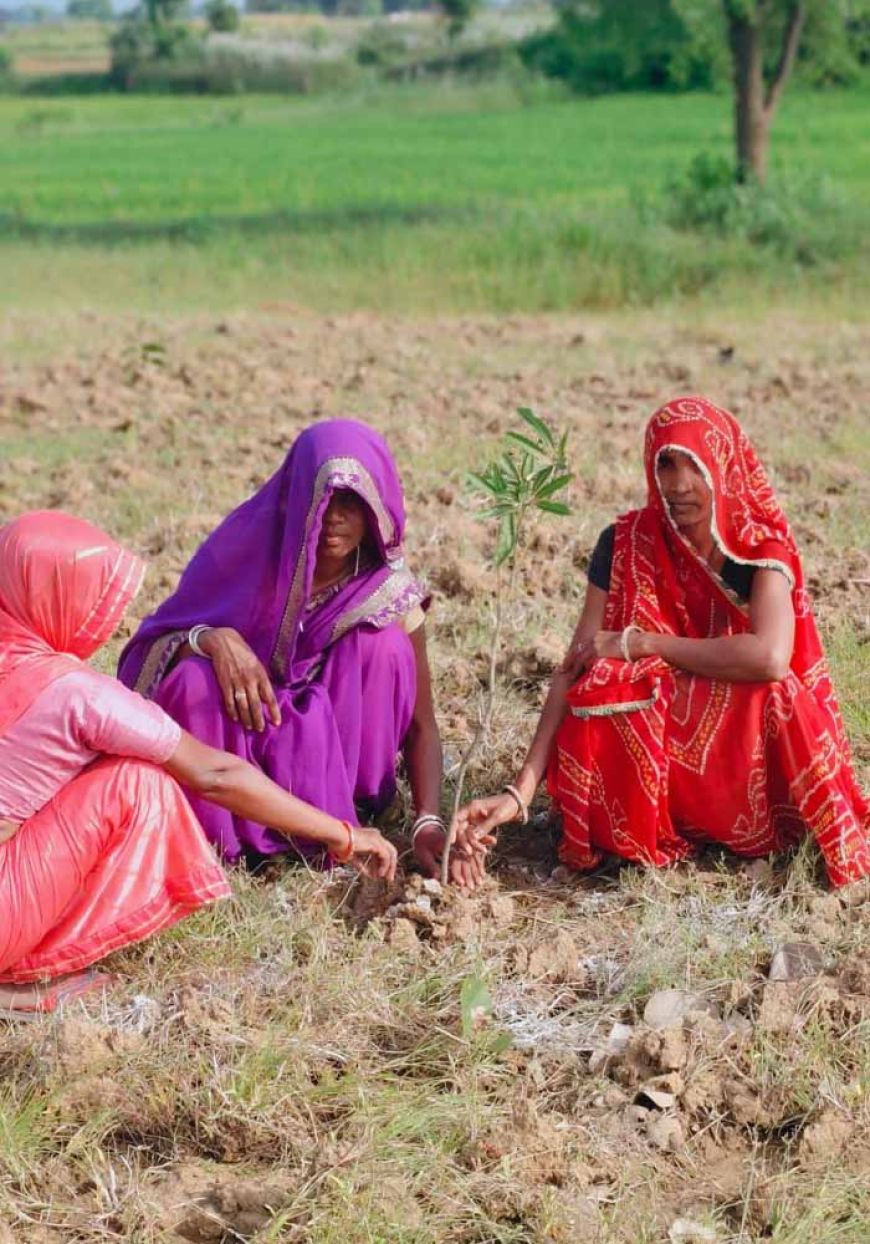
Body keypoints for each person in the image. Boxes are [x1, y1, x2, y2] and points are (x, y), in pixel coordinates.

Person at [453, 396, 870, 888]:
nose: (678, 484)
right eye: (665, 464)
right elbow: (575, 668)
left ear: (722, 465)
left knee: (775, 694)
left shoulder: (760, 548)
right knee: (602, 681)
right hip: (659, 760)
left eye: (694, 464)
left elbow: (771, 658)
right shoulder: (626, 542)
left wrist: (648, 643)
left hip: (742, 754)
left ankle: (764, 830)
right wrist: (521, 790)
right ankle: (641, 830)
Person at [0, 511, 398, 1016]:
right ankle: (18, 969)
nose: (100, 620)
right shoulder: (78, 694)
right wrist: (343, 835)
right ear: (51, 600)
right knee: (139, 781)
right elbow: (215, 774)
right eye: (88, 601)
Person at [118, 419, 482, 889]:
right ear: (295, 495)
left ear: (376, 507)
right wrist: (208, 638)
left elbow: (422, 724)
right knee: (190, 680)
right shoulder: (245, 553)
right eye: (325, 497)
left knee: (382, 645)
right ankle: (216, 842)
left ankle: (345, 819)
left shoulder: (386, 593)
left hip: (338, 777)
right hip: (244, 753)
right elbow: (144, 657)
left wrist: (428, 821)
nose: (335, 516)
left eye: (352, 501)